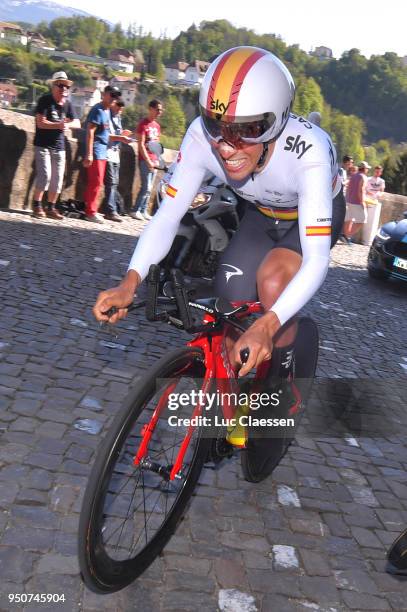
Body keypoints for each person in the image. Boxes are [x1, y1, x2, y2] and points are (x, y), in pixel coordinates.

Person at [93, 47, 345, 479]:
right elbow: (167, 216)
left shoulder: (310, 152)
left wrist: (267, 325)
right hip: (258, 217)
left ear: (277, 122)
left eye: (248, 129)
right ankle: (228, 412)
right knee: (228, 307)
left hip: (306, 221)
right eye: (217, 125)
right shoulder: (198, 138)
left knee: (271, 284)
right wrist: (130, 282)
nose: (228, 146)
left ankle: (277, 394)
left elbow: (317, 258)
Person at [32, 71, 80, 219]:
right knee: (45, 175)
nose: (64, 88)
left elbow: (77, 123)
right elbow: (40, 122)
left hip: (59, 146)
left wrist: (68, 124)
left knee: (58, 178)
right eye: (60, 85)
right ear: (53, 86)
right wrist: (58, 125)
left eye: (66, 86)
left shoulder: (68, 104)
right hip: (43, 145)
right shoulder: (45, 101)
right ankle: (36, 204)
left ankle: (51, 207)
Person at [83, 85, 122, 224]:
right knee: (96, 182)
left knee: (98, 182)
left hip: (103, 150)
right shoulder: (98, 110)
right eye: (112, 95)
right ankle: (90, 212)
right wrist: (89, 153)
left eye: (116, 96)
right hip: (96, 150)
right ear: (104, 94)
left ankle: (92, 209)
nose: (114, 99)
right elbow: (90, 131)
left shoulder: (106, 111)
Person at [130, 99, 163, 221]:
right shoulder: (143, 124)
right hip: (145, 159)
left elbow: (156, 144)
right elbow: (141, 144)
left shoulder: (157, 126)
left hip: (154, 160)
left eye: (161, 110)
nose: (159, 112)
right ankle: (135, 210)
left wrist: (157, 158)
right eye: (157, 109)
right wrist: (148, 160)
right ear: (151, 109)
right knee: (146, 186)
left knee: (150, 188)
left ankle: (143, 210)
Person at [104, 99, 133, 222]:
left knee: (114, 183)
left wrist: (123, 134)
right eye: (118, 107)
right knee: (110, 183)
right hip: (108, 153)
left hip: (116, 153)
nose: (119, 111)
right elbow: (107, 135)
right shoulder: (107, 116)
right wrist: (122, 137)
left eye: (121, 109)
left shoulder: (118, 118)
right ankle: (111, 211)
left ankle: (113, 208)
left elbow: (117, 134)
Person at [342, 161, 370, 244]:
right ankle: (348, 235)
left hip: (349, 201)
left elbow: (348, 188)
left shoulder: (353, 175)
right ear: (364, 169)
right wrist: (362, 202)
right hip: (357, 202)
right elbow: (360, 190)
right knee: (362, 220)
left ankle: (346, 237)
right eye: (367, 169)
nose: (367, 170)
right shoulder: (363, 177)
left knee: (349, 219)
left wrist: (347, 199)